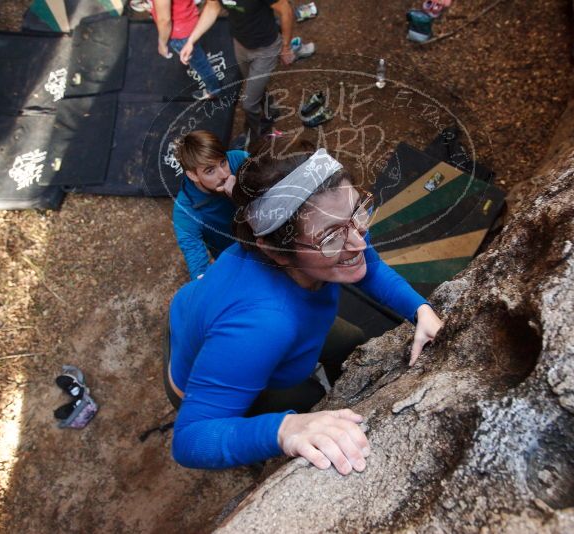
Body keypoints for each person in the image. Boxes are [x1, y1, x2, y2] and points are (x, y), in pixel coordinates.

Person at [166, 140, 444, 474]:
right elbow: (190, 439)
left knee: (349, 338)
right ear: (277, 252)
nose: (358, 240)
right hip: (214, 365)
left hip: (202, 310)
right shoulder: (262, 326)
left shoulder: (336, 222)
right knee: (305, 397)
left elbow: (367, 266)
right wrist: (284, 431)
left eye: (358, 210)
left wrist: (420, 310)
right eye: (331, 238)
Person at [179, 0, 296, 141]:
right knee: (254, 85)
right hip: (240, 44)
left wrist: (286, 47)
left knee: (249, 104)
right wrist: (191, 41)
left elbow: (286, 10)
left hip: (266, 48)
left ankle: (254, 136)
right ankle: (271, 109)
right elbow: (212, 6)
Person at [172, 130, 249, 279]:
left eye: (222, 162)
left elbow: (273, 195)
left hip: (263, 236)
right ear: (193, 175)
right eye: (210, 171)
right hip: (232, 254)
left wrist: (242, 194)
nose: (224, 174)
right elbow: (199, 270)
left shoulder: (239, 160)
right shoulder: (185, 212)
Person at [151, 0, 222, 100]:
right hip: (190, 20)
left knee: (200, 64)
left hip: (180, 33)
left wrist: (162, 43)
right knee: (195, 55)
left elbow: (164, 20)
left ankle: (214, 90)